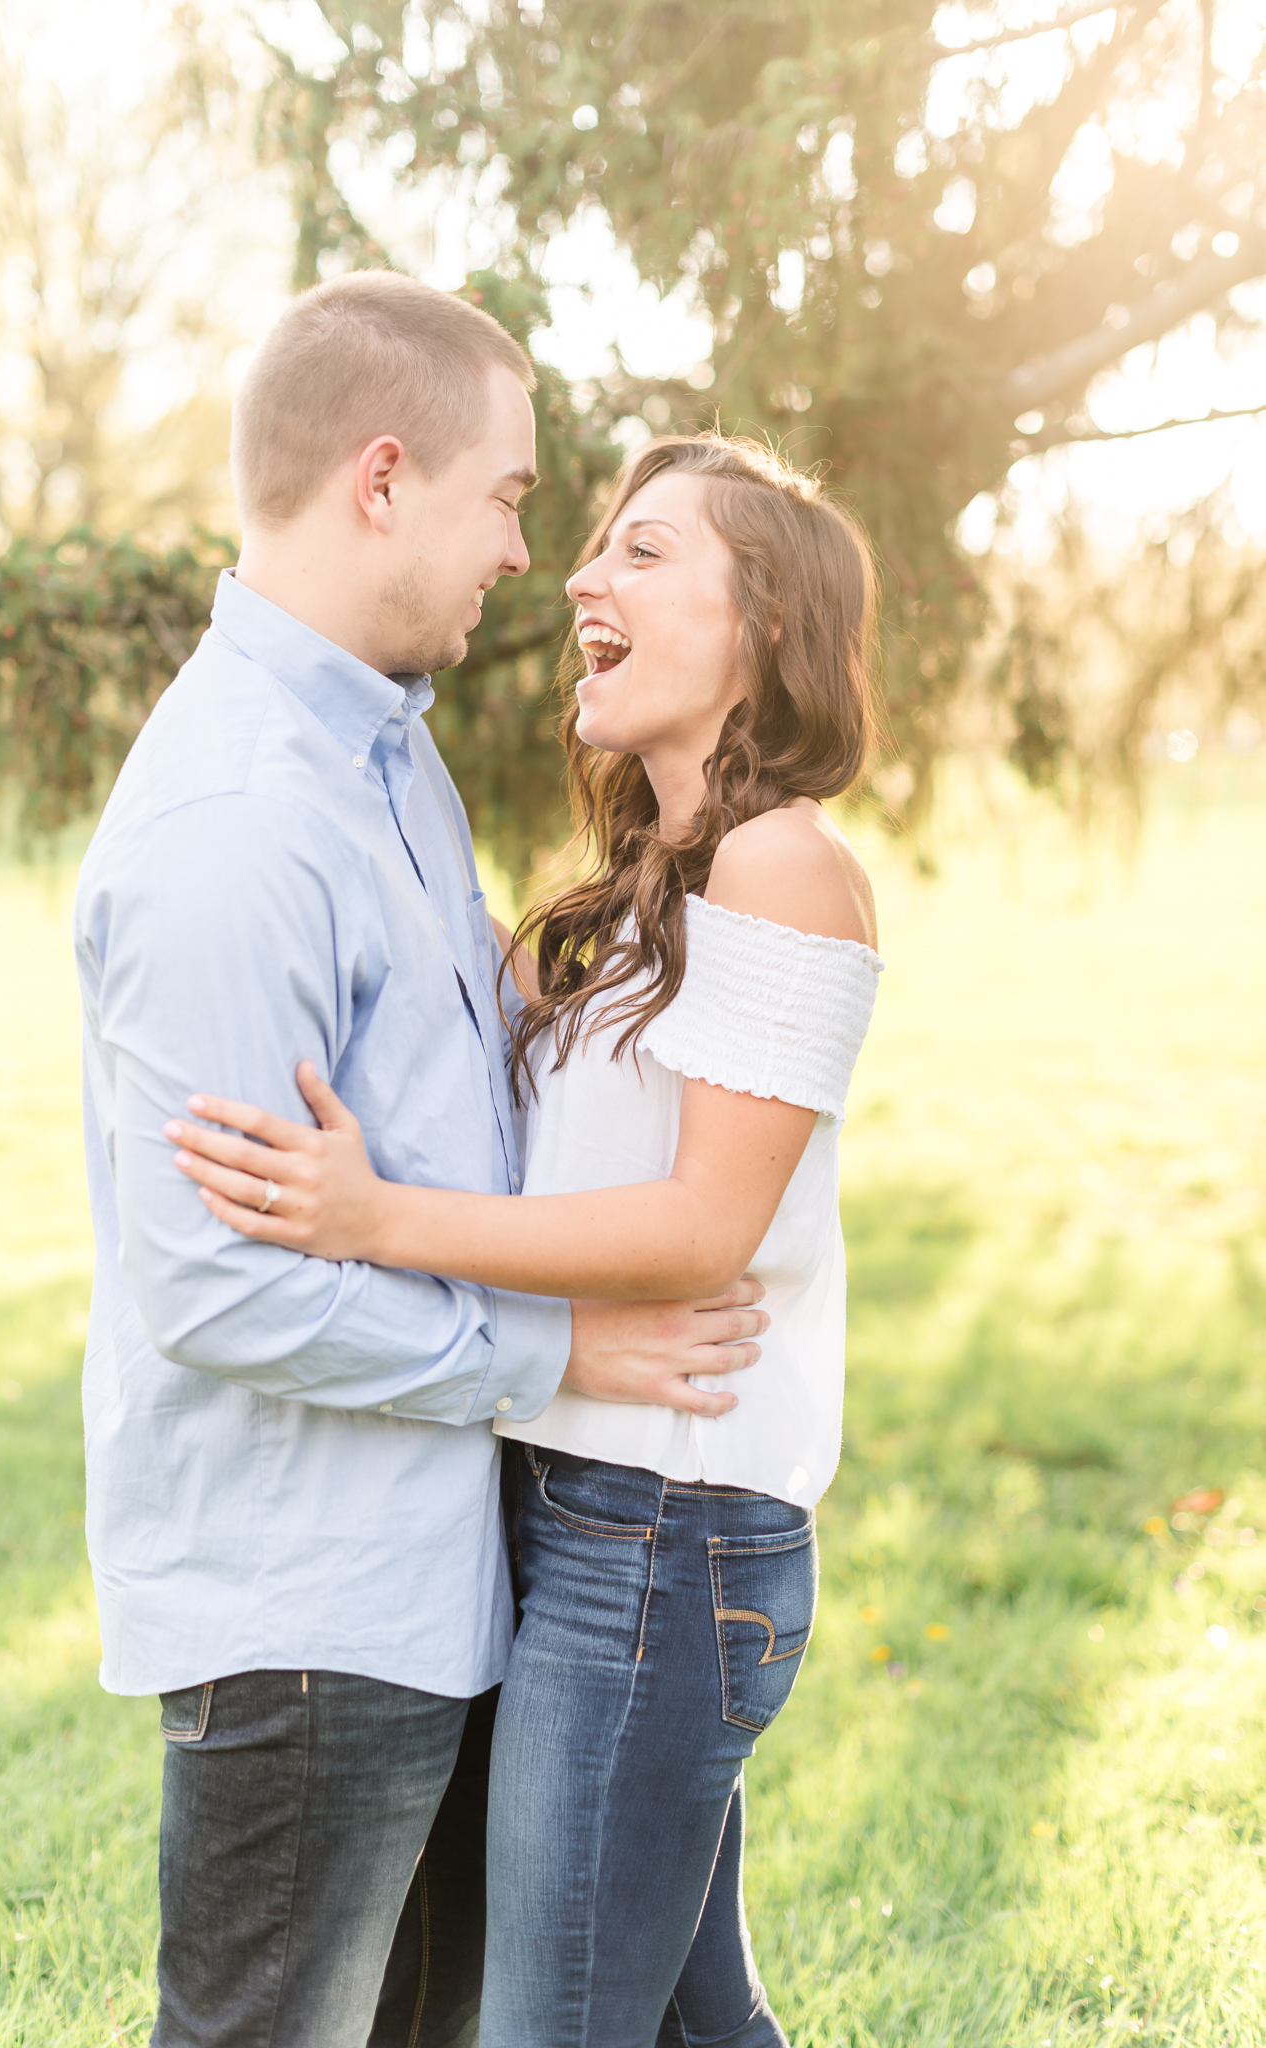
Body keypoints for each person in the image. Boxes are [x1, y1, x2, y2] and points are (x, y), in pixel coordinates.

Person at [72, 276, 768, 2048]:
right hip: (307, 1613)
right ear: (383, 479)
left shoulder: (387, 755)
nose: (528, 556)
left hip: (434, 1578)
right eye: (513, 498)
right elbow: (223, 1285)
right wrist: (551, 1352)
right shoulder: (239, 823)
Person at [170, 431, 884, 2047]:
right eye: (590, 546)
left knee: (549, 2025)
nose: (578, 575)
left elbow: (706, 1224)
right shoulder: (649, 894)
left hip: (666, 1537)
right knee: (700, 2024)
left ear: (759, 626)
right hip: (580, 1513)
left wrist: (371, 1220)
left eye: (644, 551)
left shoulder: (787, 867)